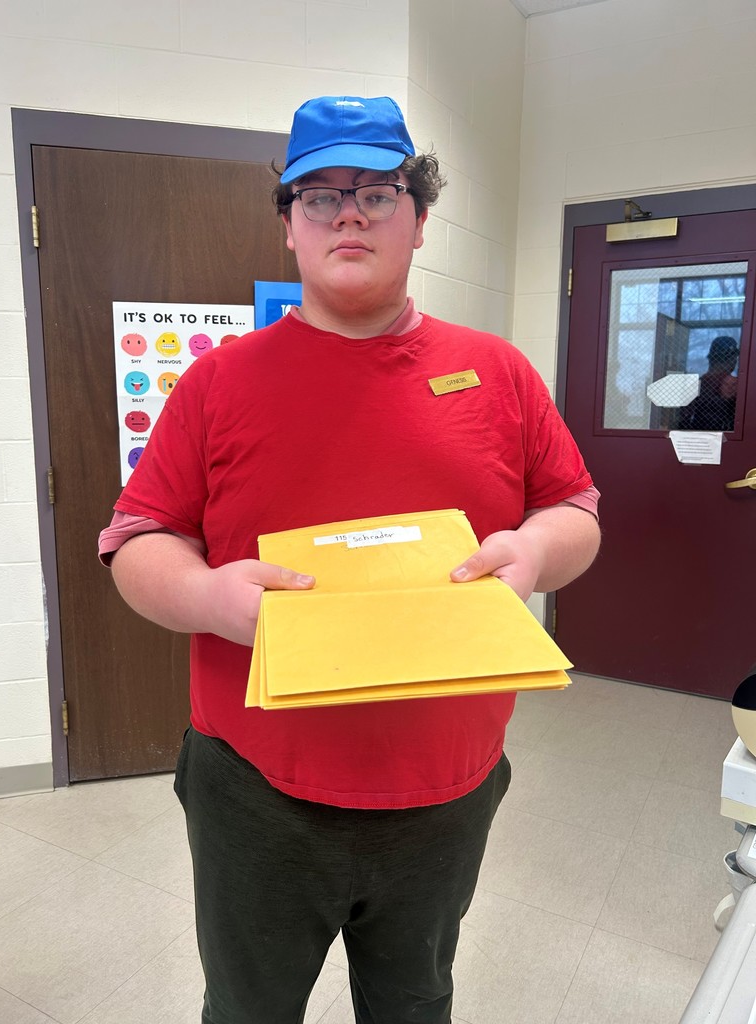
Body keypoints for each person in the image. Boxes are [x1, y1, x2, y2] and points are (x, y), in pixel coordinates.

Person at [99, 95, 601, 1024]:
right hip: (257, 794)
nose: (351, 213)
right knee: (249, 1009)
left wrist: (533, 551)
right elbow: (137, 540)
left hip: (445, 791)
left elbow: (574, 507)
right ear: (288, 227)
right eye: (319, 196)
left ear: (419, 215)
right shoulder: (219, 382)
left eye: (377, 189)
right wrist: (210, 596)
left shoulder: (497, 373)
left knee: (413, 1005)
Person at [679, 335, 739, 431]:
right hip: (726, 439)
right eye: (735, 357)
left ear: (710, 359)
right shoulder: (733, 384)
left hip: (695, 436)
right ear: (732, 360)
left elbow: (683, 418)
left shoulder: (696, 384)